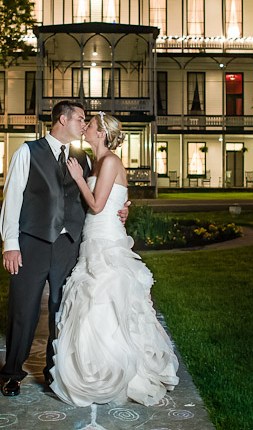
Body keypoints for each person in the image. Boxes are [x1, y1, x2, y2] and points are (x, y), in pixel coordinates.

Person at [0, 101, 128, 397]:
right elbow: (12, 199)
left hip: (70, 246)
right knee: (23, 309)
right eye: (80, 119)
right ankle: (13, 373)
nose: (84, 125)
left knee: (63, 310)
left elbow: (102, 193)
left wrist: (123, 208)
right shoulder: (27, 152)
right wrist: (11, 244)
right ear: (61, 119)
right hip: (32, 243)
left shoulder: (85, 158)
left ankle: (53, 373)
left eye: (86, 121)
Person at [50, 111, 179, 407]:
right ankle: (94, 364)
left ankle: (123, 368)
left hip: (105, 239)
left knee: (107, 296)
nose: (86, 127)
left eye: (91, 125)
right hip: (94, 237)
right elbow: (116, 200)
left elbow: (96, 205)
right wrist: (123, 207)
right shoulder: (98, 161)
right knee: (93, 300)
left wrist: (80, 179)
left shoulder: (108, 162)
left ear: (102, 133)